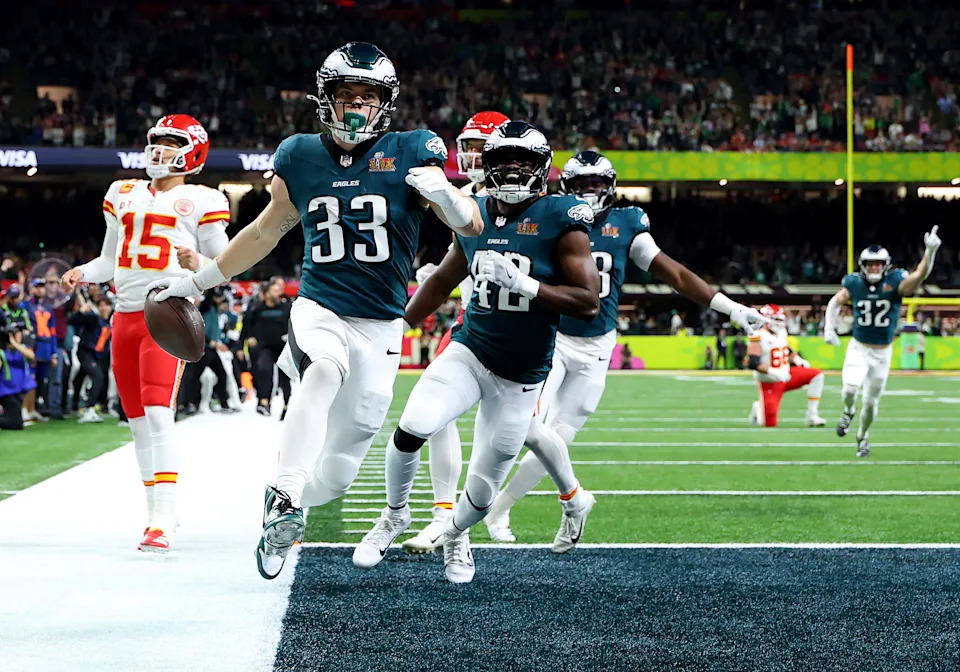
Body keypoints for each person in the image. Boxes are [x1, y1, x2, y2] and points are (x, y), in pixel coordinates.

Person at [148, 42, 483, 580]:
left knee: (340, 473)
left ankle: (298, 498)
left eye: (367, 96)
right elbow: (263, 231)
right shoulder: (300, 154)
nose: (355, 105)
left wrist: (446, 198)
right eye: (345, 93)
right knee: (324, 369)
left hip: (381, 323)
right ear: (324, 98)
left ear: (385, 103)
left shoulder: (413, 149)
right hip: (320, 304)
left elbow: (470, 226)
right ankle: (283, 496)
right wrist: (196, 281)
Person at [352, 121, 599, 583]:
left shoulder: (561, 217)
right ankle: (393, 515)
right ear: (486, 166)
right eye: (502, 160)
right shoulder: (475, 213)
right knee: (412, 427)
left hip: (522, 374)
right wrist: (393, 328)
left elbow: (589, 302)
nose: (511, 169)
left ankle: (456, 536)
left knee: (481, 493)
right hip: (471, 350)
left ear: (542, 168)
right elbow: (443, 281)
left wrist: (524, 283)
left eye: (522, 162)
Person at [481, 150, 766, 544]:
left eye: (597, 185)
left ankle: (506, 508)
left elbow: (677, 275)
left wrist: (731, 308)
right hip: (554, 340)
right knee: (526, 426)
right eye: (582, 185)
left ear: (611, 187)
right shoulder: (551, 214)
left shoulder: (627, 223)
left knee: (557, 440)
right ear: (567, 187)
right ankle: (566, 498)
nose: (590, 192)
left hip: (597, 348)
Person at [60, 114, 231, 553]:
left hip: (167, 312)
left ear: (192, 152)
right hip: (124, 316)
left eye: (171, 143)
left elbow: (229, 262)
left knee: (158, 413)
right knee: (136, 423)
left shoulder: (201, 199)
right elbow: (109, 261)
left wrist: (200, 266)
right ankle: (157, 511)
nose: (159, 151)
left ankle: (162, 519)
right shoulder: (124, 192)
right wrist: (83, 271)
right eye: (156, 141)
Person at [401, 110, 509, 554]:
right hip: (472, 324)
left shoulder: (538, 202)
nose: (472, 156)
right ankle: (444, 516)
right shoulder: (461, 196)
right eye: (468, 146)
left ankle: (569, 496)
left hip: (523, 331)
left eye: (482, 147)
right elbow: (457, 262)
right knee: (435, 416)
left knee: (516, 436)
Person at [824, 228, 941, 457]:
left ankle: (862, 436)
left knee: (870, 404)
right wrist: (829, 328)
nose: (874, 268)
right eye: (870, 264)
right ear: (863, 265)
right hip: (859, 347)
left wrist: (930, 252)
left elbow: (918, 277)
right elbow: (834, 302)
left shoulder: (895, 282)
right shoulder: (854, 283)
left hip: (882, 353)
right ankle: (848, 412)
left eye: (878, 264)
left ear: (885, 265)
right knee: (849, 389)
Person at [746, 304, 825, 428]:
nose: (780, 323)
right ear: (766, 319)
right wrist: (773, 372)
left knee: (816, 375)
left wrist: (797, 359)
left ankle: (812, 415)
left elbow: (784, 348)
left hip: (786, 376)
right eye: (776, 319)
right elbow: (753, 363)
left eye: (781, 319)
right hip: (769, 382)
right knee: (769, 424)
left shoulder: (781, 332)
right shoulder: (757, 335)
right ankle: (758, 408)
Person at [241, 277, 292, 418]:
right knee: (264, 370)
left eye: (279, 290)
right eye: (274, 290)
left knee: (285, 377)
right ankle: (264, 402)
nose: (278, 293)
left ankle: (287, 406)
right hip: (265, 347)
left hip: (283, 347)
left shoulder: (286, 307)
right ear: (267, 293)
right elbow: (248, 326)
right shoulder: (257, 309)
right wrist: (250, 337)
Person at [68, 295, 113, 423]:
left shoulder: (111, 321)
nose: (104, 308)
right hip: (86, 352)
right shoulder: (92, 319)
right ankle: (89, 408)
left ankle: (74, 404)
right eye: (101, 305)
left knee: (81, 377)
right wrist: (81, 311)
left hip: (101, 354)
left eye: (106, 305)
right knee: (97, 376)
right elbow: (71, 321)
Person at [22, 279, 57, 422]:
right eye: (37, 287)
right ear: (31, 288)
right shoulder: (26, 305)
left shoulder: (49, 308)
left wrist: (54, 353)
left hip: (46, 347)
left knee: (41, 380)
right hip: (33, 346)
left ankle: (34, 409)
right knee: (29, 378)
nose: (39, 290)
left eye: (42, 287)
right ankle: (25, 408)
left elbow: (53, 331)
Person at [0, 314, 35, 431]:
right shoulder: (2, 352)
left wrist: (15, 344)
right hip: (7, 391)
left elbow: (31, 356)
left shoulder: (22, 348)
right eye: (17, 332)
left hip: (19, 389)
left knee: (14, 419)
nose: (20, 334)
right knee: (16, 424)